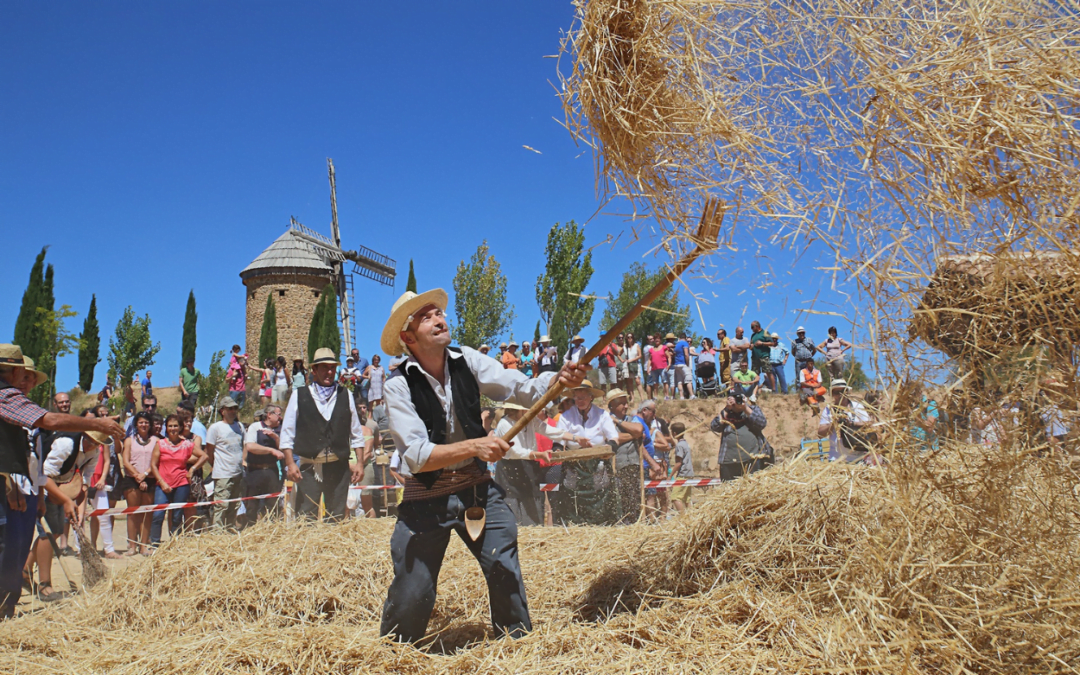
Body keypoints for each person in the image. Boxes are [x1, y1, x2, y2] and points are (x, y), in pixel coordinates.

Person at [378, 288, 588, 644]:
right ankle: (394, 653)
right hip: (426, 498)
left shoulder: (467, 359)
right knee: (415, 591)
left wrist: (556, 381)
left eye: (438, 313)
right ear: (408, 337)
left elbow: (521, 387)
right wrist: (477, 444)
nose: (438, 318)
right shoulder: (398, 385)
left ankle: (516, 644)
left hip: (477, 489)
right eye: (426, 317)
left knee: (503, 566)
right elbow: (415, 453)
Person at [280, 348, 366, 521]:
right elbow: (287, 433)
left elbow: (356, 433)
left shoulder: (346, 395)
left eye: (332, 368)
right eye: (324, 368)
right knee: (306, 516)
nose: (329, 372)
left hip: (338, 466)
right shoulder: (299, 395)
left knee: (338, 515)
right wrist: (290, 463)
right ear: (314, 370)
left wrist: (360, 463)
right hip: (308, 467)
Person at [150, 415, 207, 546]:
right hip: (162, 484)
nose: (173, 428)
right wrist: (162, 482)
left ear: (180, 427)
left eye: (175, 426)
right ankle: (154, 544)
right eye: (170, 426)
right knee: (158, 515)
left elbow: (204, 456)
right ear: (166, 428)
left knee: (177, 515)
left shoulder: (186, 444)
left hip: (181, 483)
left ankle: (175, 543)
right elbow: (153, 464)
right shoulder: (160, 444)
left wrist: (192, 469)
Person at [493, 402, 550, 526]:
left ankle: (534, 532)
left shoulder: (529, 421)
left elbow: (548, 429)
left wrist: (573, 437)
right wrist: (539, 454)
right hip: (510, 469)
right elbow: (515, 452)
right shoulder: (505, 424)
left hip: (529, 466)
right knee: (512, 506)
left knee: (533, 504)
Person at [605, 389, 645, 524]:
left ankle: (635, 524)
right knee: (619, 500)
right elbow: (614, 438)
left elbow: (639, 430)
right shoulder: (605, 421)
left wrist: (618, 422)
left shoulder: (631, 419)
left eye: (626, 403)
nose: (626, 406)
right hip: (616, 469)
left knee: (635, 500)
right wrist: (633, 435)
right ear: (612, 406)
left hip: (633, 467)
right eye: (622, 404)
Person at [711, 395, 774, 479]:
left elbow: (762, 423)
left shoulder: (753, 409)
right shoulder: (726, 413)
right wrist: (727, 409)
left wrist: (745, 408)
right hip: (729, 462)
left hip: (752, 461)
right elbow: (714, 426)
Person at [119, 411, 156, 556]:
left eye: (146, 422)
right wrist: (137, 477)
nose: (144, 425)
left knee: (147, 513)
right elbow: (126, 461)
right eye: (141, 422)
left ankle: (144, 545)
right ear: (136, 424)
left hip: (150, 477)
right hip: (131, 479)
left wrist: (145, 474)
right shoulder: (129, 440)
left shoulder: (156, 440)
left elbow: (156, 461)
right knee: (132, 512)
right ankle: (132, 545)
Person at [205, 398, 245, 531]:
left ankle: (230, 529)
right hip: (222, 473)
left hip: (237, 472)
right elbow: (209, 451)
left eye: (234, 408)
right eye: (230, 409)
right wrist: (216, 466)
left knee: (234, 504)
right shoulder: (215, 428)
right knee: (221, 505)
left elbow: (243, 446)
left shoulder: (240, 427)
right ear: (222, 411)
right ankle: (217, 532)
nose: (233, 411)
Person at [243, 404, 284, 521]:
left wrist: (276, 438)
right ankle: (250, 528)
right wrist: (270, 450)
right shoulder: (255, 427)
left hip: (272, 471)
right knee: (252, 504)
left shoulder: (281, 429)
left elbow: (283, 449)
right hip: (255, 471)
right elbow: (250, 446)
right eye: (278, 414)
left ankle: (273, 529)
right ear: (269, 415)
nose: (280, 417)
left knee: (273, 504)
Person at [817, 379, 871, 460]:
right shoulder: (828, 409)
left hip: (857, 458)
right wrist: (834, 424)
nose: (840, 395)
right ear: (832, 394)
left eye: (843, 391)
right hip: (836, 459)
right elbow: (820, 434)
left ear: (847, 392)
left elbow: (869, 425)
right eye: (836, 392)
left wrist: (851, 424)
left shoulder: (857, 406)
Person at [638, 401, 669, 521]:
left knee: (660, 493)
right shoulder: (645, 430)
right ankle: (652, 518)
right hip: (648, 465)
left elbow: (667, 446)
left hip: (657, 465)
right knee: (650, 494)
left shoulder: (656, 432)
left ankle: (662, 517)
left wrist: (653, 444)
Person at [668, 422, 694, 513]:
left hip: (683, 474)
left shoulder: (679, 445)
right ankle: (691, 517)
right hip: (689, 473)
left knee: (675, 497)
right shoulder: (686, 444)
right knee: (687, 498)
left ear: (674, 433)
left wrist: (670, 475)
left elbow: (679, 463)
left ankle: (683, 518)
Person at [749, 321, 773, 390]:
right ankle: (754, 390)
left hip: (764, 356)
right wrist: (751, 346)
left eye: (752, 327)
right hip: (755, 357)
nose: (751, 329)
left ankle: (774, 389)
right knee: (755, 374)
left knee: (768, 372)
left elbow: (771, 343)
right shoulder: (753, 335)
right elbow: (751, 345)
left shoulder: (765, 333)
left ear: (757, 326)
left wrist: (762, 343)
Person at [672, 331, 693, 400]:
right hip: (683, 363)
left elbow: (674, 353)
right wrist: (687, 363)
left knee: (679, 381)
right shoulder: (685, 343)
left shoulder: (677, 344)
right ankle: (692, 395)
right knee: (688, 380)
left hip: (676, 364)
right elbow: (686, 354)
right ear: (686, 338)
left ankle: (681, 396)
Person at [647, 335, 669, 400]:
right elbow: (649, 359)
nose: (657, 340)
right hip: (654, 368)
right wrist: (648, 368)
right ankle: (655, 396)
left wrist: (669, 364)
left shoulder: (664, 347)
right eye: (656, 339)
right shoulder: (651, 349)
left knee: (664, 381)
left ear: (660, 340)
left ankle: (666, 396)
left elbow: (669, 356)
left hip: (663, 367)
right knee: (655, 383)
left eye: (658, 338)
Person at [623, 333, 642, 403]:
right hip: (628, 366)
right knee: (630, 382)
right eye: (628, 337)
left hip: (635, 365)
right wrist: (623, 360)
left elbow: (640, 355)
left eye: (631, 337)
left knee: (637, 381)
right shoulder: (625, 347)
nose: (629, 338)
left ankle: (642, 398)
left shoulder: (636, 345)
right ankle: (632, 398)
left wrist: (632, 360)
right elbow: (619, 354)